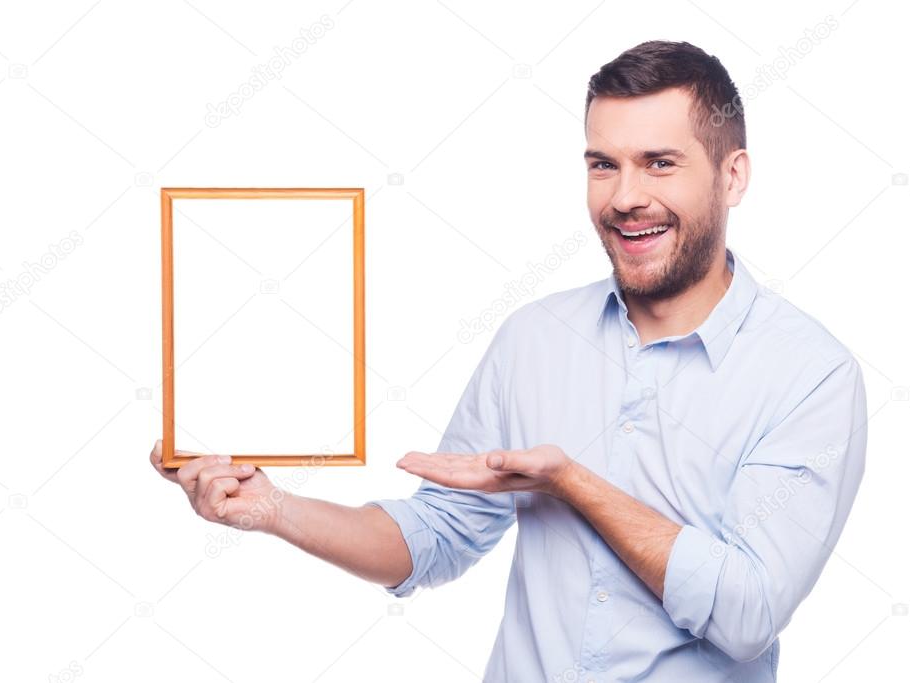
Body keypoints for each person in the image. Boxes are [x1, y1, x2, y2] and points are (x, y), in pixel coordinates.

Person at [150, 40, 867, 682]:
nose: (624, 197)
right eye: (601, 164)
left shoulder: (808, 375)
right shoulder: (536, 337)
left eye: (659, 163)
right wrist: (272, 508)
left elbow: (745, 612)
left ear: (732, 175)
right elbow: (433, 538)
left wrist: (573, 484)